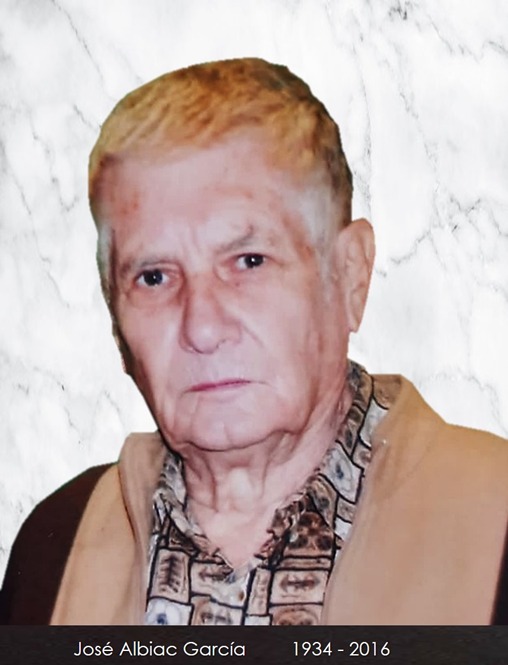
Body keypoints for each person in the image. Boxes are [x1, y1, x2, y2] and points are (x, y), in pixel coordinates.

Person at [1, 58, 507, 626]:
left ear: (350, 276)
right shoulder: (53, 552)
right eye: (154, 277)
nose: (202, 327)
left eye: (249, 261)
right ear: (116, 322)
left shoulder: (496, 524)